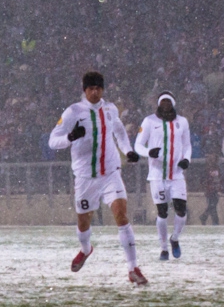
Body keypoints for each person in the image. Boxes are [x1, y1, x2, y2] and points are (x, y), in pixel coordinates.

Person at [48, 71, 148, 285]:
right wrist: (70, 137)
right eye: (91, 88)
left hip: (111, 173)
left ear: (103, 90)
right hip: (85, 177)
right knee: (84, 222)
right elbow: (52, 141)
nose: (95, 92)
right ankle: (86, 249)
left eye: (98, 88)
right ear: (84, 90)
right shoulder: (73, 112)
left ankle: (133, 268)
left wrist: (127, 151)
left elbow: (120, 132)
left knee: (121, 216)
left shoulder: (111, 110)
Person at [134, 92, 192, 260]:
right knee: (162, 212)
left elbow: (187, 145)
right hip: (157, 175)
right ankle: (164, 248)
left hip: (176, 174)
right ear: (159, 104)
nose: (165, 104)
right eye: (163, 101)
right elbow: (138, 145)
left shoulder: (182, 122)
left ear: (173, 103)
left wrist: (186, 159)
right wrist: (148, 152)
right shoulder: (149, 121)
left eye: (168, 101)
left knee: (181, 210)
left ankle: (174, 238)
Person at [199, 153, 224, 225]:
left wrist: (222, 190)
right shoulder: (206, 169)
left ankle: (205, 217)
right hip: (210, 190)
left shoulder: (217, 169)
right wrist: (206, 187)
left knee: (213, 206)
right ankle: (214, 221)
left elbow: (220, 180)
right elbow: (203, 180)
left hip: (215, 190)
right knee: (212, 206)